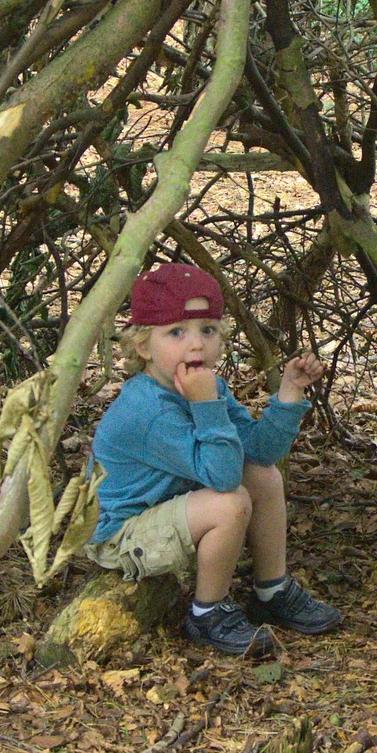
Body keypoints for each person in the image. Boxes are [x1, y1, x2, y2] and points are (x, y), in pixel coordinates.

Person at [86, 262, 341, 655]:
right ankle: (208, 615)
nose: (196, 344)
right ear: (142, 346)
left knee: (264, 476)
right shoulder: (148, 410)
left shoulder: (209, 385)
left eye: (208, 330)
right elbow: (222, 479)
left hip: (173, 504)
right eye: (176, 332)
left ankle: (271, 590)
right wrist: (205, 405)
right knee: (230, 502)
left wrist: (289, 392)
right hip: (124, 533)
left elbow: (258, 452)